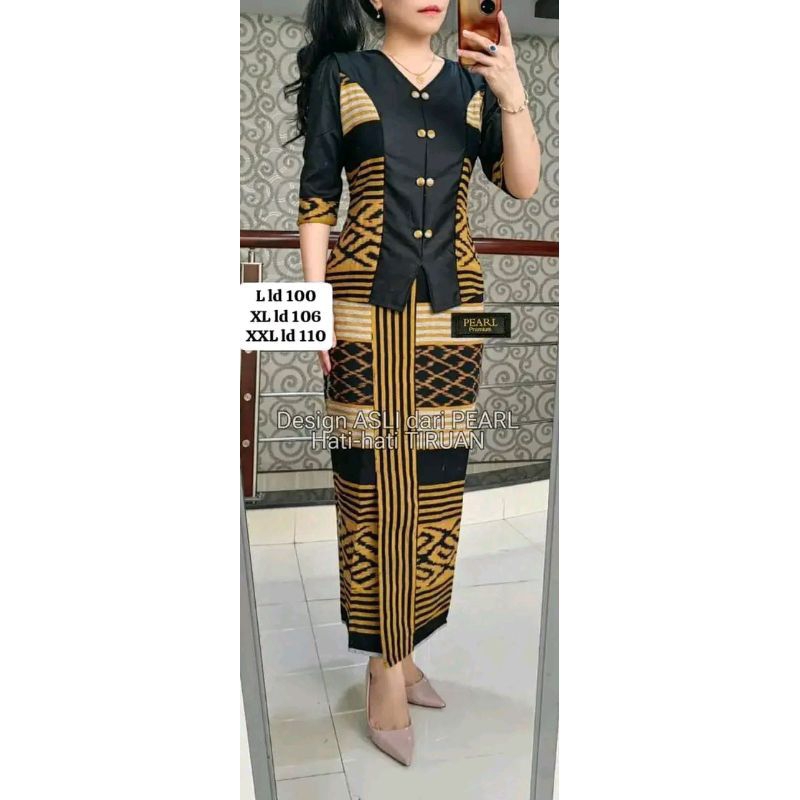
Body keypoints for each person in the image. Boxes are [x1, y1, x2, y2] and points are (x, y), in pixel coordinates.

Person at [287, 0, 540, 766]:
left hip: (451, 316)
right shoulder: (344, 76)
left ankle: (403, 650)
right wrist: (313, 307)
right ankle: (383, 665)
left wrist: (511, 91)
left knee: (434, 488)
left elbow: (522, 185)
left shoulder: (472, 87)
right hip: (361, 311)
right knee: (369, 485)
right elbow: (317, 198)